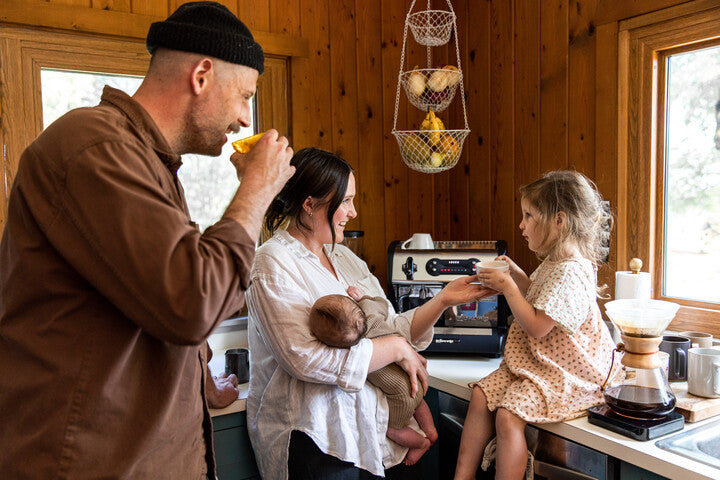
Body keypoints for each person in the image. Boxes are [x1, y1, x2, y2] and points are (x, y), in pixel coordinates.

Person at [0, 2, 295, 478]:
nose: (245, 119)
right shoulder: (94, 147)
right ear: (201, 75)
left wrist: (198, 375)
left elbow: (146, 298)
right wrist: (257, 189)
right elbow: (189, 299)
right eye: (244, 96)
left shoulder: (150, 163)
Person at [246, 147, 489, 479]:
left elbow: (386, 326)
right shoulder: (272, 262)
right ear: (310, 205)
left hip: (367, 429)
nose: (353, 212)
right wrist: (393, 349)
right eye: (345, 201)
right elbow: (303, 358)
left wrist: (443, 300)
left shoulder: (344, 258)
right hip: (314, 436)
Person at [453, 170, 622, 480]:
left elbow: (537, 326)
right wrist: (516, 276)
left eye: (528, 215)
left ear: (559, 220)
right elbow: (543, 300)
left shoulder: (571, 271)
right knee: (481, 395)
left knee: (507, 416)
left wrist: (508, 288)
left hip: (565, 374)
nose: (521, 224)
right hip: (538, 364)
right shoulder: (556, 261)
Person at [309, 286, 438, 466]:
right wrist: (364, 298)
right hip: (414, 376)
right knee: (418, 400)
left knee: (392, 429)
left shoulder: (352, 353)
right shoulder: (370, 314)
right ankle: (431, 431)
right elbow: (381, 304)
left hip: (400, 396)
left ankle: (421, 443)